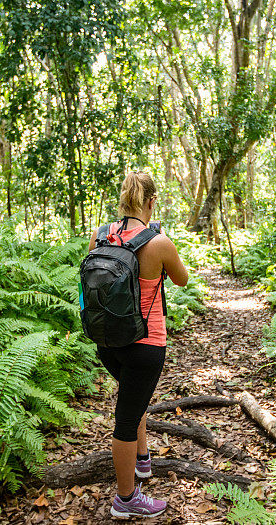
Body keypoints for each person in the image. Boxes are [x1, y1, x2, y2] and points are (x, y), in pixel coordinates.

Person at [88, 171, 189, 519]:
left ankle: (142, 461)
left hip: (106, 341)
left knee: (134, 398)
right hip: (145, 345)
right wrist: (161, 241)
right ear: (151, 202)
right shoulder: (158, 243)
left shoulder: (100, 236)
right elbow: (182, 279)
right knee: (127, 419)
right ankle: (126, 498)